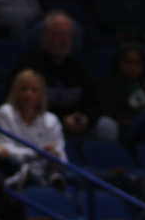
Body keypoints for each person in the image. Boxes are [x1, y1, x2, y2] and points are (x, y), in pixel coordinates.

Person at [11, 10, 114, 142]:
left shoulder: (78, 66)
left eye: (69, 35)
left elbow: (95, 102)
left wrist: (85, 118)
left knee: (107, 126)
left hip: (76, 126)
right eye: (60, 33)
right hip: (42, 126)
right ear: (46, 34)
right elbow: (22, 103)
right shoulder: (28, 64)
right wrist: (61, 121)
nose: (65, 39)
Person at [0, 70, 66, 187]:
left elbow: (62, 157)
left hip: (44, 172)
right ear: (16, 91)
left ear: (41, 94)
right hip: (13, 170)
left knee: (60, 174)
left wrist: (55, 158)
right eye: (24, 89)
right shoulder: (5, 113)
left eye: (34, 90)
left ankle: (52, 181)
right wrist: (37, 152)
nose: (28, 94)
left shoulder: (51, 120)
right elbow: (3, 150)